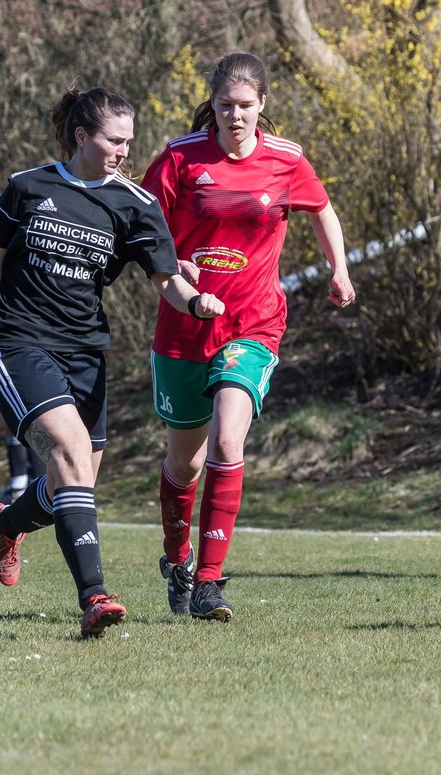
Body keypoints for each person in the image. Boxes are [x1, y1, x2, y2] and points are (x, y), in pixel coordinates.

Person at [0, 85, 224, 638]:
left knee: (77, 479)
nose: (123, 150)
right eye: (114, 140)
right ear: (81, 135)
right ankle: (95, 596)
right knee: (66, 451)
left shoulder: (135, 204)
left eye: (129, 142)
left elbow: (167, 279)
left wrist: (196, 301)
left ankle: (9, 522)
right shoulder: (26, 188)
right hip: (19, 342)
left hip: (86, 351)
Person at [141, 51, 355, 621]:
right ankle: (177, 555)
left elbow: (322, 209)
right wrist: (176, 267)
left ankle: (210, 581)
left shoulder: (287, 160)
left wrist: (340, 268)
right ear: (210, 105)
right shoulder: (180, 159)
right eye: (224, 106)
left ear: (263, 105)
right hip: (184, 324)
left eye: (245, 106)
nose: (234, 116)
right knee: (184, 461)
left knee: (229, 442)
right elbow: (142, 227)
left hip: (254, 323)